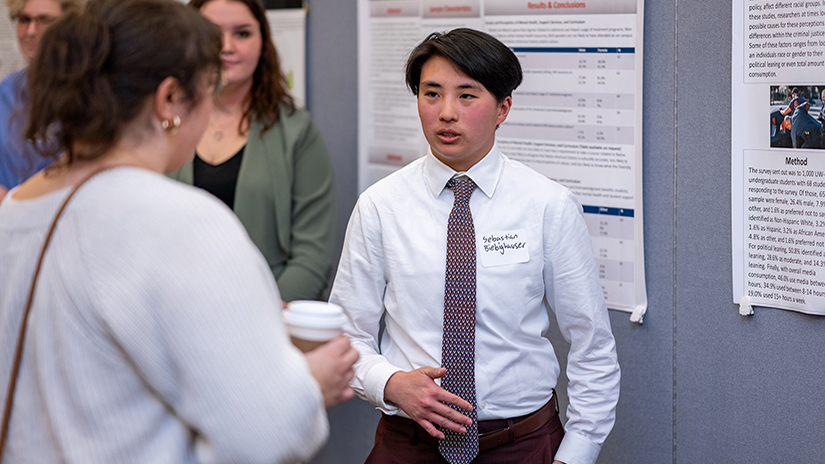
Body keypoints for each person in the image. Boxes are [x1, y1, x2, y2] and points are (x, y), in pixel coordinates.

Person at [0, 0, 357, 462]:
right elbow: (266, 436)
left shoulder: (16, 211)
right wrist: (310, 382)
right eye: (208, 90)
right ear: (170, 100)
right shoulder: (184, 223)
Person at [330, 28, 620, 464]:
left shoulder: (547, 205)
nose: (446, 113)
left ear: (503, 107)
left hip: (522, 444)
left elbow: (592, 343)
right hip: (408, 445)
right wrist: (389, 383)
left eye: (467, 96)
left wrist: (577, 451)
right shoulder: (380, 206)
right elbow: (347, 335)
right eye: (432, 94)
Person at [168, 0, 335, 302]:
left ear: (263, 43)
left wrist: (261, 316)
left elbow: (312, 257)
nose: (227, 47)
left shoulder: (297, 132)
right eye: (213, 35)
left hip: (268, 312)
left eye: (242, 34)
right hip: (170, 309)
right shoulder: (163, 123)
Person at [0, 0, 82, 202]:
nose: (31, 31)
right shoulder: (6, 92)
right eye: (24, 20)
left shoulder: (90, 90)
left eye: (44, 20)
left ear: (70, 24)